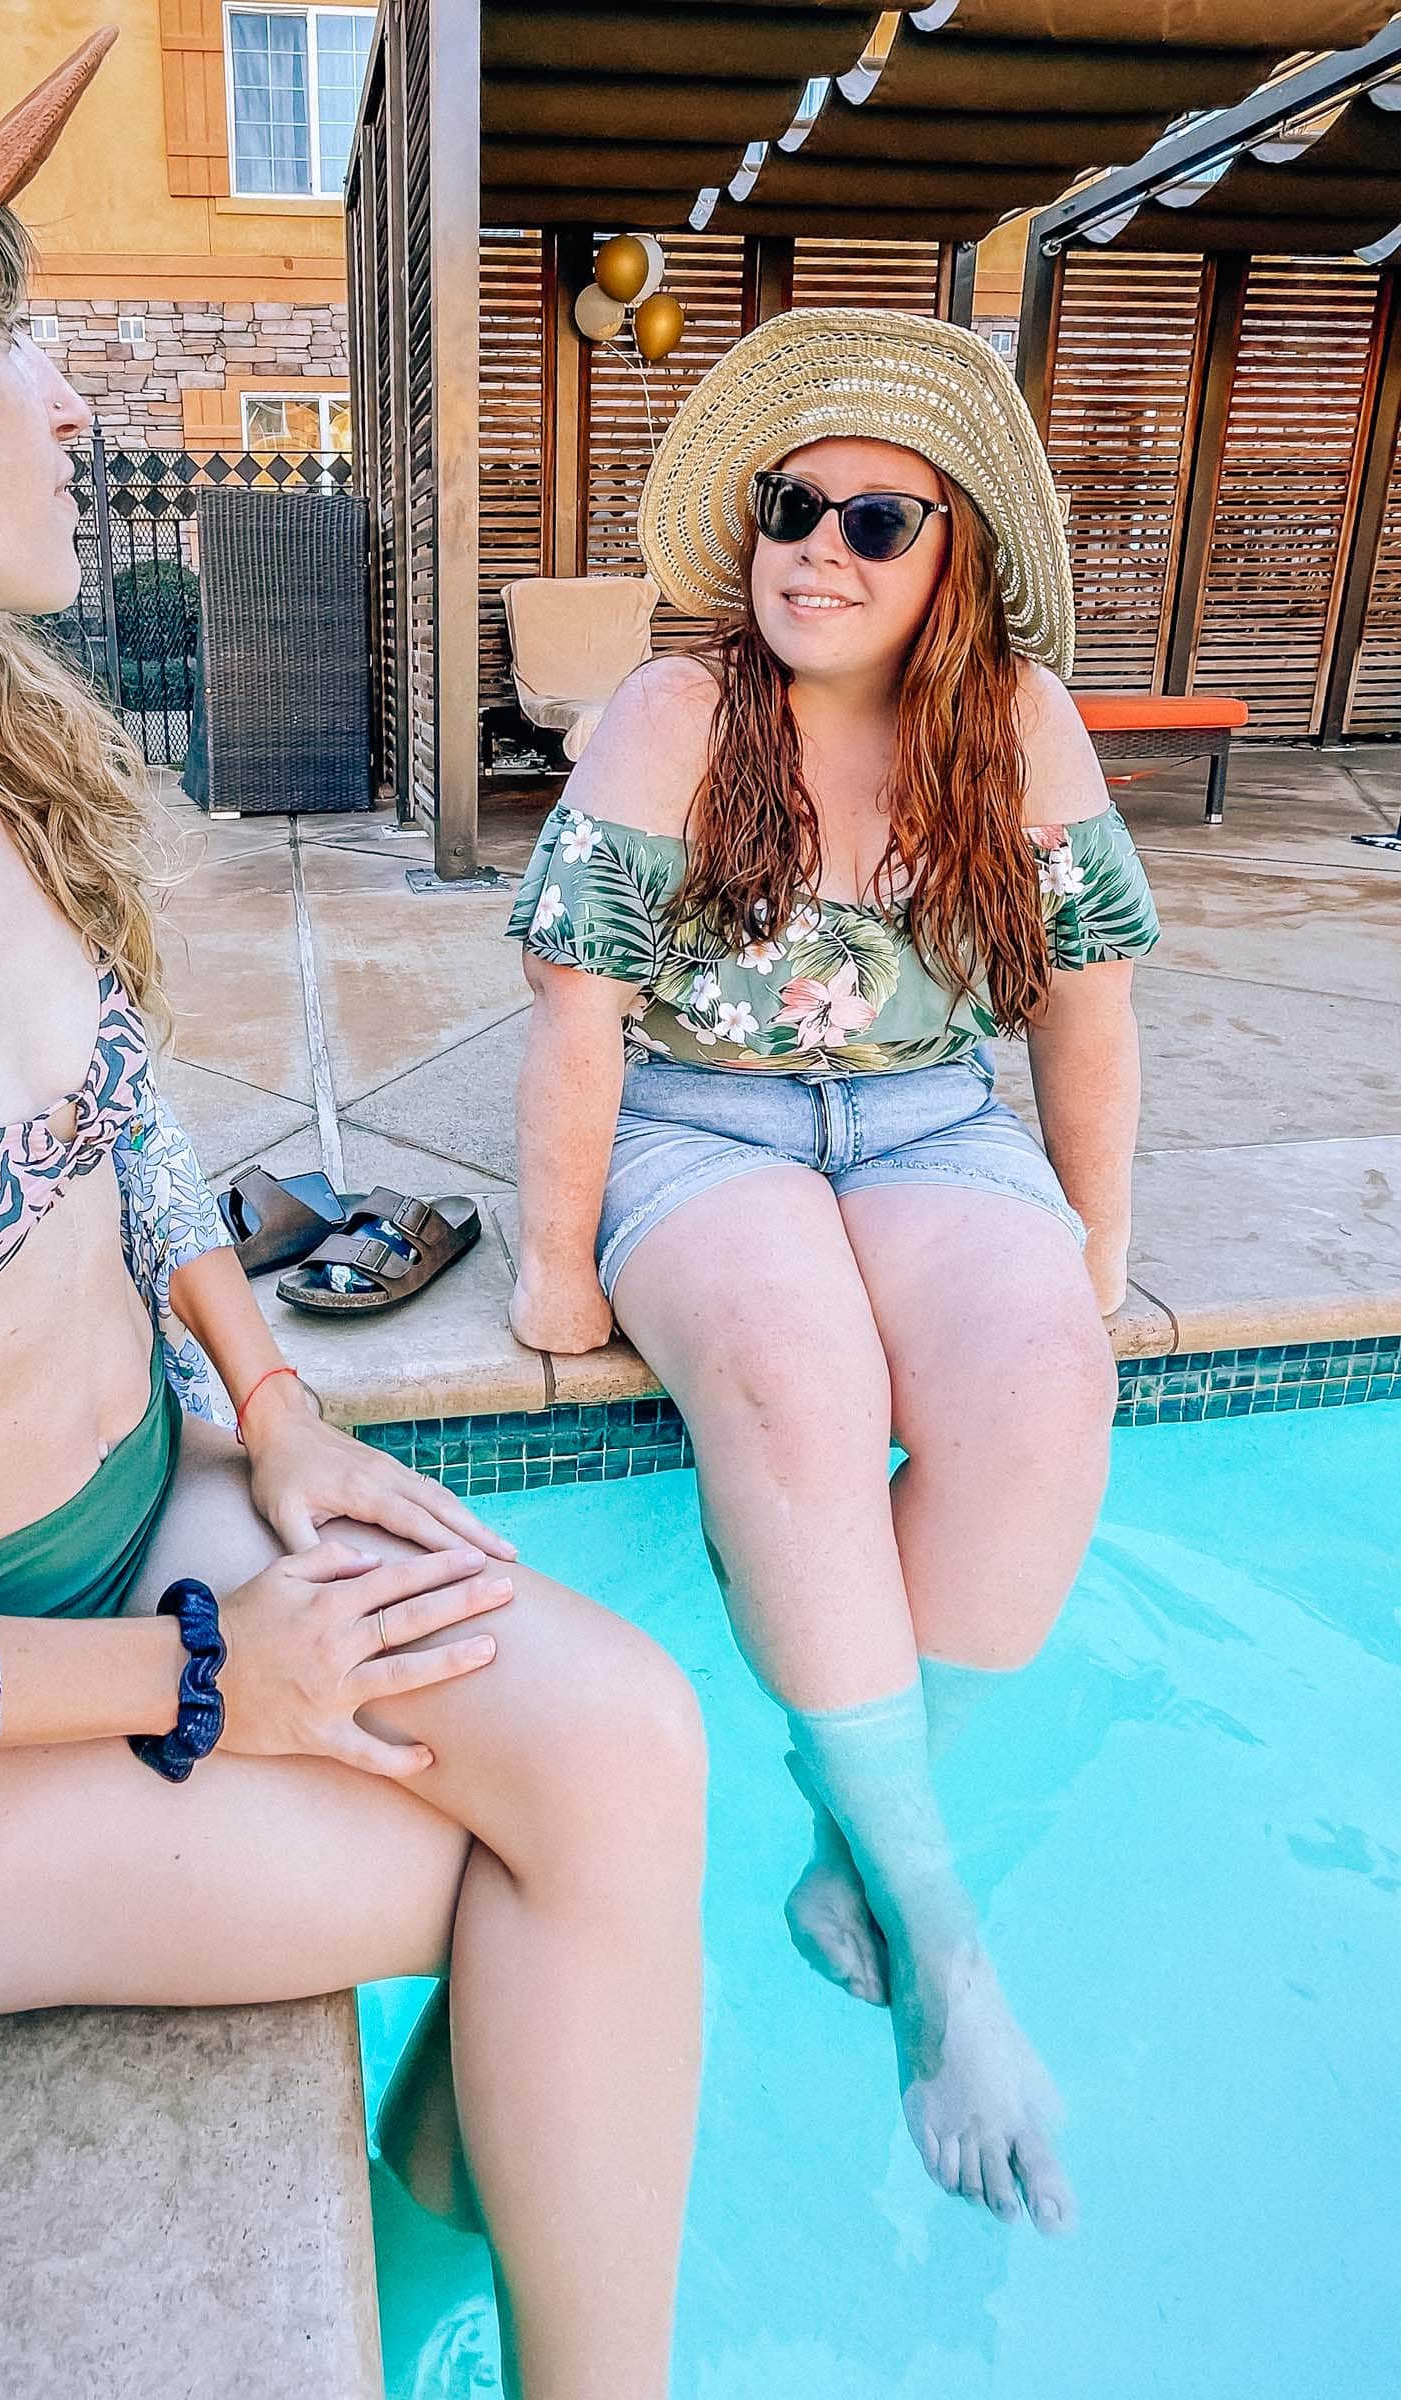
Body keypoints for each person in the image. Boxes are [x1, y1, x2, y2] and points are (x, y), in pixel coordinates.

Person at [0, 16, 705, 2395]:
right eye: (8, 328)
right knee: (524, 1881)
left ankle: (464, 2298)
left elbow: (117, 1119)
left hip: (155, 1517)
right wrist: (216, 1677)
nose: (73, 397)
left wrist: (267, 1407)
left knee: (633, 1754)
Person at [509, 309, 1161, 2237]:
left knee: (1044, 1386)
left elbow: (1089, 1005)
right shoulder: (679, 713)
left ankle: (846, 1840)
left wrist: (1099, 1249)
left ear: (955, 559)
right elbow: (576, 1010)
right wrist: (555, 1267)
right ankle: (945, 1941)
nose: (820, 550)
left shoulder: (1016, 723)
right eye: (795, 508)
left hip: (935, 1118)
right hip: (701, 1120)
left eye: (880, 522)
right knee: (801, 1384)